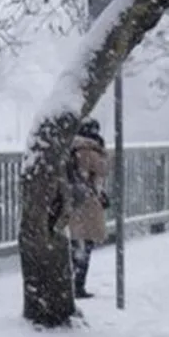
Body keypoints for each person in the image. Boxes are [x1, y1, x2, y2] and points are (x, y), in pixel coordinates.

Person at [66, 117, 110, 299]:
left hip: (74, 201)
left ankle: (72, 284)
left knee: (77, 243)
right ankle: (77, 285)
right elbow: (100, 172)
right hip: (86, 203)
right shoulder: (88, 150)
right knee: (83, 245)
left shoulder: (73, 148)